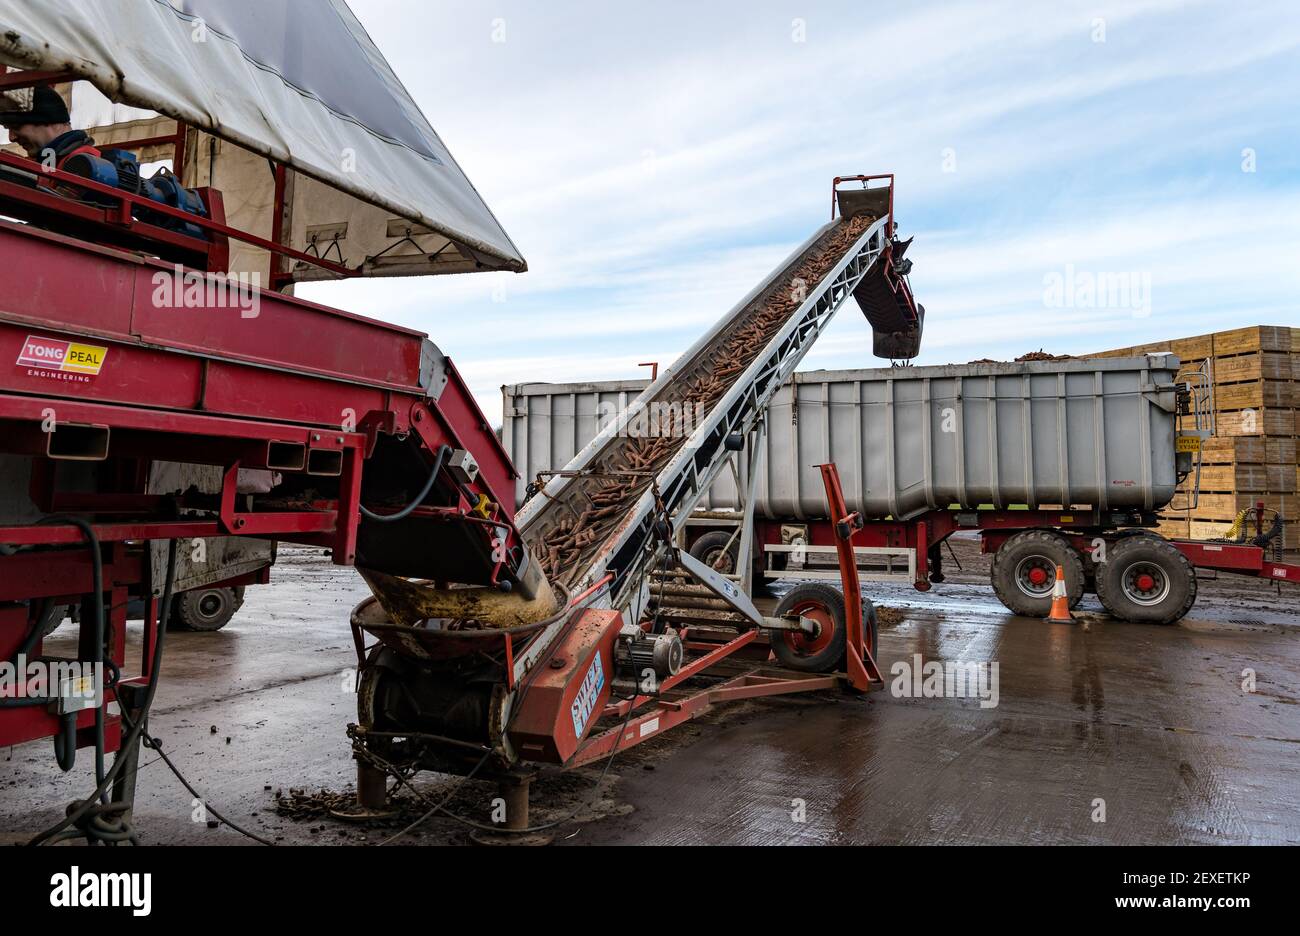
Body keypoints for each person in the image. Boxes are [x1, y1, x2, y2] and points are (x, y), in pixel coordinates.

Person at [0, 85, 100, 170]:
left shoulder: (84, 167)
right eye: (7, 128)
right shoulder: (51, 162)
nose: (11, 138)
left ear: (50, 119)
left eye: (15, 126)